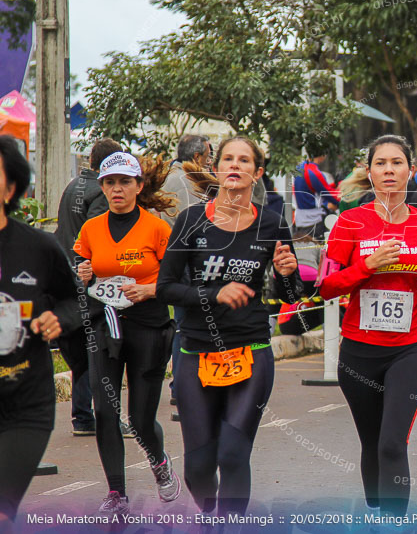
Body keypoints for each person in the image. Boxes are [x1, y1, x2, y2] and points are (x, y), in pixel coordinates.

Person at [156, 136, 302, 518]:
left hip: (250, 351)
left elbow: (291, 292)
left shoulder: (271, 223)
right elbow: (165, 287)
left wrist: (288, 273)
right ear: (216, 169)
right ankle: (209, 518)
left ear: (257, 172)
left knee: (234, 454)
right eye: (228, 159)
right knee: (199, 468)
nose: (235, 166)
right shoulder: (191, 220)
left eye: (245, 160)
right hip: (195, 352)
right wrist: (214, 294)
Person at [319, 135, 417, 516]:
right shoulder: (350, 222)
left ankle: (394, 522)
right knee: (372, 442)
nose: (389, 170)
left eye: (397, 162)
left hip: (410, 349)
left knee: (393, 444)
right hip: (358, 352)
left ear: (410, 170)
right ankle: (378, 517)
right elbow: (327, 284)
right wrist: (368, 266)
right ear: (370, 172)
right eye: (381, 163)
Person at [73, 151, 181, 515]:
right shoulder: (91, 228)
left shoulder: (158, 228)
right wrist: (84, 273)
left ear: (138, 185)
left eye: (124, 182)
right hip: (106, 325)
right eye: (109, 182)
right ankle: (117, 494)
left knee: (138, 419)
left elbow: (176, 281)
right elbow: (81, 263)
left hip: (149, 325)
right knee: (104, 410)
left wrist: (150, 290)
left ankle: (160, 463)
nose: (116, 189)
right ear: (102, 186)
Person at [0, 136, 81, 526]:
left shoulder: (38, 248)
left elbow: (76, 301)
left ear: (11, 187)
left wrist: (59, 319)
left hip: (24, 404)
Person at [54, 137, 123, 436]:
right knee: (99, 349)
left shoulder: (73, 186)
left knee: (81, 349)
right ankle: (97, 416)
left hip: (66, 276)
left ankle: (83, 416)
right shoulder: (101, 193)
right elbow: (96, 237)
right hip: (90, 278)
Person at [158, 134, 211, 418]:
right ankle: (183, 386)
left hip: (167, 261)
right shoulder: (189, 182)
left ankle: (181, 385)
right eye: (210, 156)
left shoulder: (168, 177)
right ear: (199, 156)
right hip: (187, 263)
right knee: (186, 327)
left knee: (179, 325)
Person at [292, 154, 339, 240]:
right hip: (313, 221)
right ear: (323, 155)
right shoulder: (312, 171)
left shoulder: (300, 167)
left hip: (300, 220)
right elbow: (329, 194)